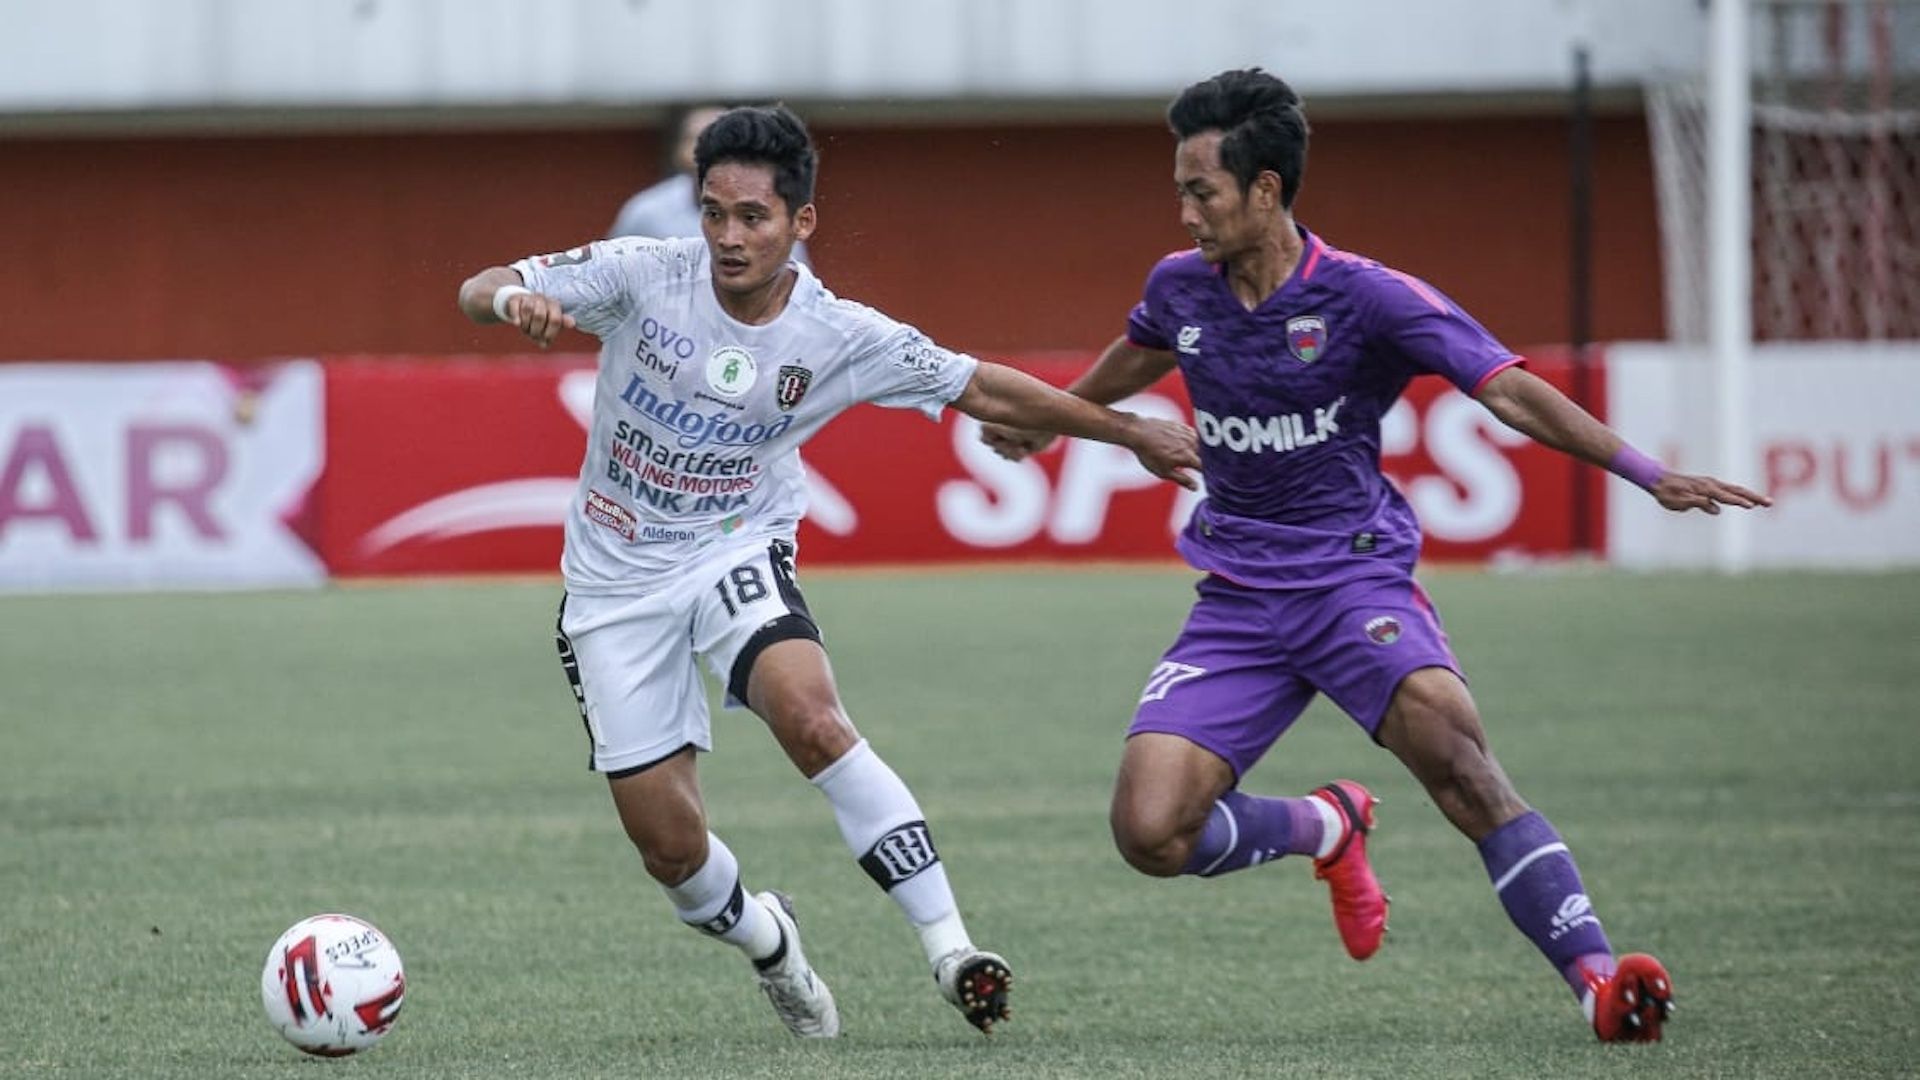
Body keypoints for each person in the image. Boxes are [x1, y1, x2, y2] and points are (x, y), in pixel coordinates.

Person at [981, 68, 1770, 1044]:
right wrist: (1065, 424)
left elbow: (1508, 390)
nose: (1184, 212)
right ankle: (1326, 826)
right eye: (1180, 189)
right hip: (1237, 596)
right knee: (1149, 833)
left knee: (1460, 765)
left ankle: (1600, 984)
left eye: (1202, 191)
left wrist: (1648, 473)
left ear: (1266, 191)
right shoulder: (1180, 287)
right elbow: (1145, 348)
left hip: (1352, 581)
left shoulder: (1368, 300)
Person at [458, 103, 1198, 1040]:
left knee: (810, 715)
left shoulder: (838, 333)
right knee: (671, 853)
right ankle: (771, 941)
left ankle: (951, 949)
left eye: (753, 217)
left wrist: (1127, 429)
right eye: (714, 212)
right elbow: (482, 284)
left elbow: (980, 385)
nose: (729, 237)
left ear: (800, 223)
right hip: (613, 587)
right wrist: (509, 301)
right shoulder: (643, 274)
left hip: (735, 544)